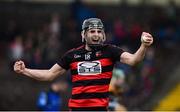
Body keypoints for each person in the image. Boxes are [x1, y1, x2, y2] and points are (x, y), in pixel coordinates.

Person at [14, 18, 153, 111]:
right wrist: (25, 70)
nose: (96, 35)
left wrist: (143, 46)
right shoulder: (72, 55)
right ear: (84, 34)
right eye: (92, 31)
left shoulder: (110, 51)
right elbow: (49, 75)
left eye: (99, 31)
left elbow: (134, 60)